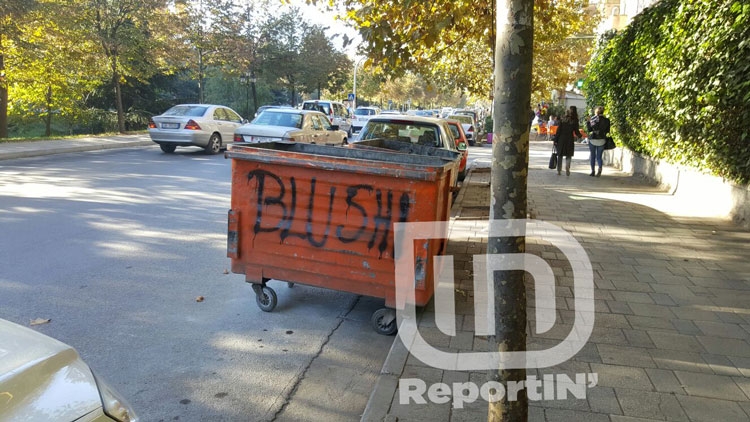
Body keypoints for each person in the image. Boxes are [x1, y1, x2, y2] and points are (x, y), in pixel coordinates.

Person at [553, 106, 582, 176]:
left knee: (560, 155)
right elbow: (576, 131)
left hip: (561, 139)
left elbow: (558, 131)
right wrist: (580, 136)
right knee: (568, 155)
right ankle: (567, 166)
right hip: (570, 139)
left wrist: (555, 140)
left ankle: (559, 170)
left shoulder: (562, 120)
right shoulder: (574, 121)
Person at [585, 106, 611, 177]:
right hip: (602, 140)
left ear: (596, 112)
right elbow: (608, 131)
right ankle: (600, 167)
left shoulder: (593, 119)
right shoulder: (607, 120)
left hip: (593, 139)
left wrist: (588, 122)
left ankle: (592, 171)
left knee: (593, 156)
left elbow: (590, 129)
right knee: (599, 157)